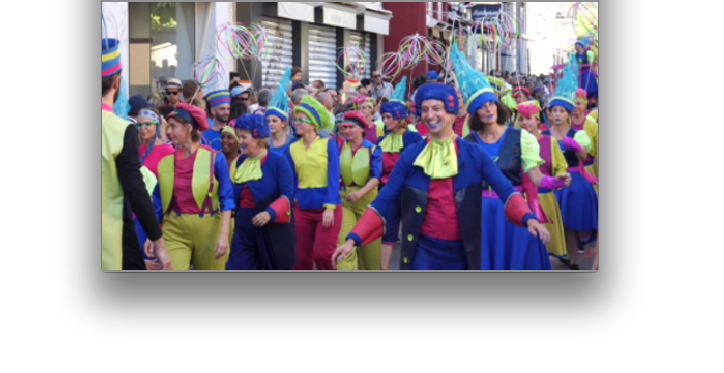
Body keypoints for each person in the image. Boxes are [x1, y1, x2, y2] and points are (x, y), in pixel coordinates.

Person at [332, 82, 549, 270]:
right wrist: (353, 238)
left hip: (464, 251)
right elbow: (384, 198)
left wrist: (529, 218)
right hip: (422, 251)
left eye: (437, 108)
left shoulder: (474, 153)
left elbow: (506, 191)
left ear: (452, 113)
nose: (429, 115)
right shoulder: (412, 154)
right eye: (424, 109)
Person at [451, 42, 552, 270]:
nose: (488, 109)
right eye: (482, 106)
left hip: (513, 209)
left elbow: (535, 177)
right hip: (479, 213)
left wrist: (551, 181)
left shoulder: (520, 137)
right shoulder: (466, 144)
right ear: (474, 112)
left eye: (491, 104)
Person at [102, 38, 171, 270]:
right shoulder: (121, 130)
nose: (142, 129)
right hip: (111, 239)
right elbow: (135, 189)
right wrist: (160, 244)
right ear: (117, 82)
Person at [157, 102, 235, 270]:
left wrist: (224, 235)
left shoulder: (215, 158)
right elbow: (158, 201)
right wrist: (153, 235)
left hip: (209, 229)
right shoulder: (166, 162)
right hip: (174, 229)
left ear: (188, 128)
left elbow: (227, 198)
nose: (168, 132)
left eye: (173, 127)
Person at [541, 54, 598, 270]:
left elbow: (587, 158)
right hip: (548, 182)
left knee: (571, 226)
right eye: (554, 110)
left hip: (574, 183)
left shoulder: (576, 134)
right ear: (549, 113)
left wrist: (576, 147)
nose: (557, 114)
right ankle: (549, 259)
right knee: (551, 225)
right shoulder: (543, 134)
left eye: (561, 111)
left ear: (567, 114)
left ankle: (574, 262)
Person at [227, 114, 296, 270]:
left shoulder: (278, 162)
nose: (240, 142)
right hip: (244, 228)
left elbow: (287, 195)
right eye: (239, 137)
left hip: (272, 230)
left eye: (244, 137)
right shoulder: (239, 161)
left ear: (258, 138)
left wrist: (269, 213)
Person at [288, 96, 342, 270]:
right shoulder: (292, 147)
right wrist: (294, 196)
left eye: (300, 120)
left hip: (327, 208)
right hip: (303, 208)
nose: (296, 123)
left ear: (313, 124)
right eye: (295, 119)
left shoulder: (328, 144)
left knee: (323, 255)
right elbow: (292, 178)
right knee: (300, 258)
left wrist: (330, 207)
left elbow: (334, 178)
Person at [376, 76, 423, 269]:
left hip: (410, 190)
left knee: (412, 232)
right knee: (388, 233)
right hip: (388, 190)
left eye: (388, 117)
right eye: (383, 117)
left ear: (398, 117)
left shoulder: (413, 137)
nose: (385, 121)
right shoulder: (382, 141)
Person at [517, 101, 571, 260]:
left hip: (545, 200)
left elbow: (561, 167)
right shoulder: (513, 140)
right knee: (524, 250)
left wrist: (560, 177)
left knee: (544, 249)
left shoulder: (549, 141)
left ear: (537, 120)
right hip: (521, 202)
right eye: (521, 119)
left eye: (529, 119)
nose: (525, 123)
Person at [336, 110, 383, 270]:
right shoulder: (338, 148)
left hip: (369, 204)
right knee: (344, 244)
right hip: (344, 203)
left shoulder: (374, 149)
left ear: (362, 128)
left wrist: (360, 193)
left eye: (352, 127)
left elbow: (376, 177)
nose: (347, 130)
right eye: (345, 127)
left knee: (370, 255)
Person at [134, 108, 175, 269]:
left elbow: (168, 192)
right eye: (140, 125)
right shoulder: (137, 150)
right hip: (138, 215)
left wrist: (156, 229)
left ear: (158, 126)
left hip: (158, 218)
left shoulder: (168, 153)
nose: (143, 128)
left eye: (148, 124)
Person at [571, 89, 599, 192]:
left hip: (590, 169)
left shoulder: (593, 126)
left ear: (584, 105)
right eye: (573, 103)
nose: (575, 106)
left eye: (578, 103)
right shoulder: (565, 124)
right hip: (571, 171)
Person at [266, 67, 295, 158]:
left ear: (283, 123)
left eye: (274, 121)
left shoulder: (294, 143)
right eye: (268, 121)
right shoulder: (263, 143)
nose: (270, 124)